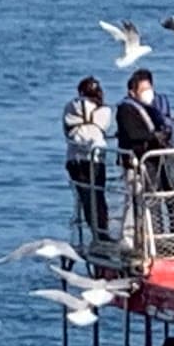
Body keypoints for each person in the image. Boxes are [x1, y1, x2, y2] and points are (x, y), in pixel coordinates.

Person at [116, 69, 171, 229]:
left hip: (154, 160)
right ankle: (133, 235)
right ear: (133, 92)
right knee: (136, 201)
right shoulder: (126, 109)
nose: (148, 93)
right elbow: (134, 133)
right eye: (143, 90)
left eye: (149, 88)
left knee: (154, 199)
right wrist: (154, 136)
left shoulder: (152, 108)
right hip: (136, 162)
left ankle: (157, 233)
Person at [62, 76, 111, 239]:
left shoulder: (70, 107)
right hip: (96, 158)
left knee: (86, 199)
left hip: (75, 159)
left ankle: (96, 233)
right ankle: (103, 232)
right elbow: (103, 125)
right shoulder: (104, 110)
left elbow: (67, 129)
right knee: (98, 197)